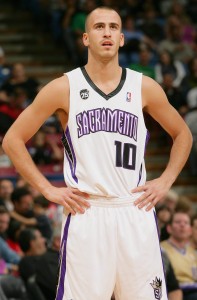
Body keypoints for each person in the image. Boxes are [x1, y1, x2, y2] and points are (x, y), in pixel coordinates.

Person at [2, 6, 193, 300]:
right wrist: (47, 189)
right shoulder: (62, 87)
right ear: (86, 38)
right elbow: (12, 140)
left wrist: (166, 180)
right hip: (87, 211)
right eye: (99, 26)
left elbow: (183, 134)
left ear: (121, 39)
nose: (107, 32)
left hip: (135, 209)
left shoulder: (145, 87)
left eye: (114, 27)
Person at [161, 211, 197, 300]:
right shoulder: (161, 250)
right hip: (175, 292)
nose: (182, 225)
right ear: (169, 228)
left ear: (190, 230)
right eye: (178, 222)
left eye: (186, 223)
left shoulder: (193, 252)